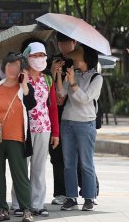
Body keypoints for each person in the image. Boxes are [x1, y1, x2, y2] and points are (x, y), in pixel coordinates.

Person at [0, 53, 37, 222]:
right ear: (4, 67)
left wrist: (24, 84)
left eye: (16, 66)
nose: (12, 69)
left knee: (20, 175)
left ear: (22, 69)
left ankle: (26, 210)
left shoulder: (24, 88)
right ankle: (2, 209)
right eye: (9, 65)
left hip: (16, 137)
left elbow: (31, 104)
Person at [11, 42, 60, 217]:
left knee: (39, 167)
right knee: (22, 167)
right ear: (26, 57)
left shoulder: (47, 79)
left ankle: (38, 203)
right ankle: (18, 203)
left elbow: (52, 107)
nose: (40, 59)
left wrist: (55, 132)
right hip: (22, 129)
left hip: (43, 128)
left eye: (42, 55)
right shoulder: (19, 78)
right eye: (35, 55)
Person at [56, 44, 102, 212]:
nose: (73, 60)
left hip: (85, 123)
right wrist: (58, 75)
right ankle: (71, 197)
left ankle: (89, 198)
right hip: (67, 121)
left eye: (77, 57)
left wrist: (73, 83)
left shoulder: (97, 78)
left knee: (86, 163)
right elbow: (61, 93)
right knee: (68, 163)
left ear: (86, 59)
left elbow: (85, 98)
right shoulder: (73, 74)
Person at [50, 32, 77, 205]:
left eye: (67, 43)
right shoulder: (53, 60)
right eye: (61, 43)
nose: (64, 46)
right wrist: (53, 71)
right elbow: (47, 87)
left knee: (80, 154)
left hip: (78, 113)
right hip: (57, 114)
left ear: (74, 42)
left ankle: (89, 189)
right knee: (57, 155)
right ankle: (60, 192)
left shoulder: (81, 59)